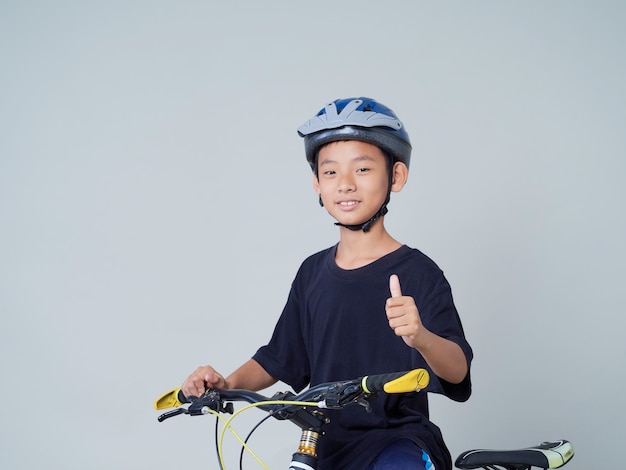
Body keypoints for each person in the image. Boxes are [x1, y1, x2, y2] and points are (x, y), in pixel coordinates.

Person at [181, 97, 473, 470]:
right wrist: (224, 383)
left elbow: (458, 371)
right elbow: (278, 359)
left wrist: (421, 337)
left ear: (396, 177)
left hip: (396, 441)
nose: (346, 184)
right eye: (331, 172)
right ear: (317, 184)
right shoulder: (312, 274)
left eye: (363, 169)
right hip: (324, 443)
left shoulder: (419, 273)